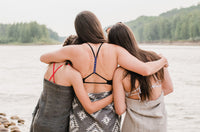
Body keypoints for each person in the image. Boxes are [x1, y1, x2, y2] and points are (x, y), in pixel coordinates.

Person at [40, 11, 168, 132]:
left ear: (79, 31)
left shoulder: (74, 50)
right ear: (97, 26)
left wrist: (68, 63)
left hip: (81, 113)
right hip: (108, 115)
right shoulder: (115, 50)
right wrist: (162, 61)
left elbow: (43, 58)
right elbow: (145, 70)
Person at [30, 35, 113, 132]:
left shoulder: (50, 66)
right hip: (57, 127)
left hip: (38, 121)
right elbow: (90, 107)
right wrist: (113, 96)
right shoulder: (73, 74)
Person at [108, 23, 173, 132]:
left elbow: (120, 110)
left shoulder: (120, 73)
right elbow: (169, 88)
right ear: (131, 37)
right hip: (159, 125)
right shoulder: (155, 58)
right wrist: (150, 96)